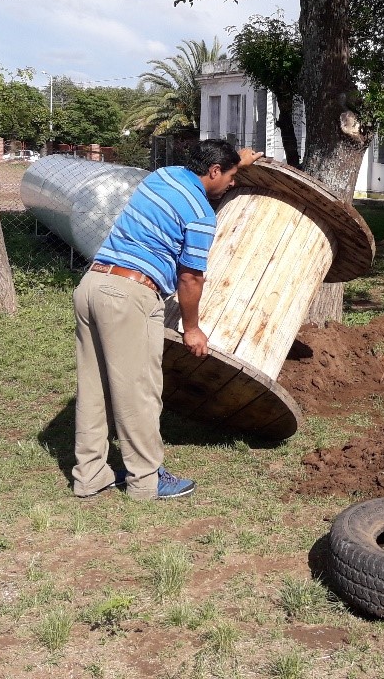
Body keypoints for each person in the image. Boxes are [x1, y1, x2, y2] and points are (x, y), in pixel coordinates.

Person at [72, 139, 263, 500]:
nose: (233, 183)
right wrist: (191, 329)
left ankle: (90, 475)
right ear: (214, 171)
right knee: (139, 392)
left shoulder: (164, 176)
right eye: (232, 175)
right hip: (130, 296)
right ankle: (145, 480)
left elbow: (214, 167)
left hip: (92, 285)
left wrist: (241, 159)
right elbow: (190, 278)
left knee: (94, 389)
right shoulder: (201, 214)